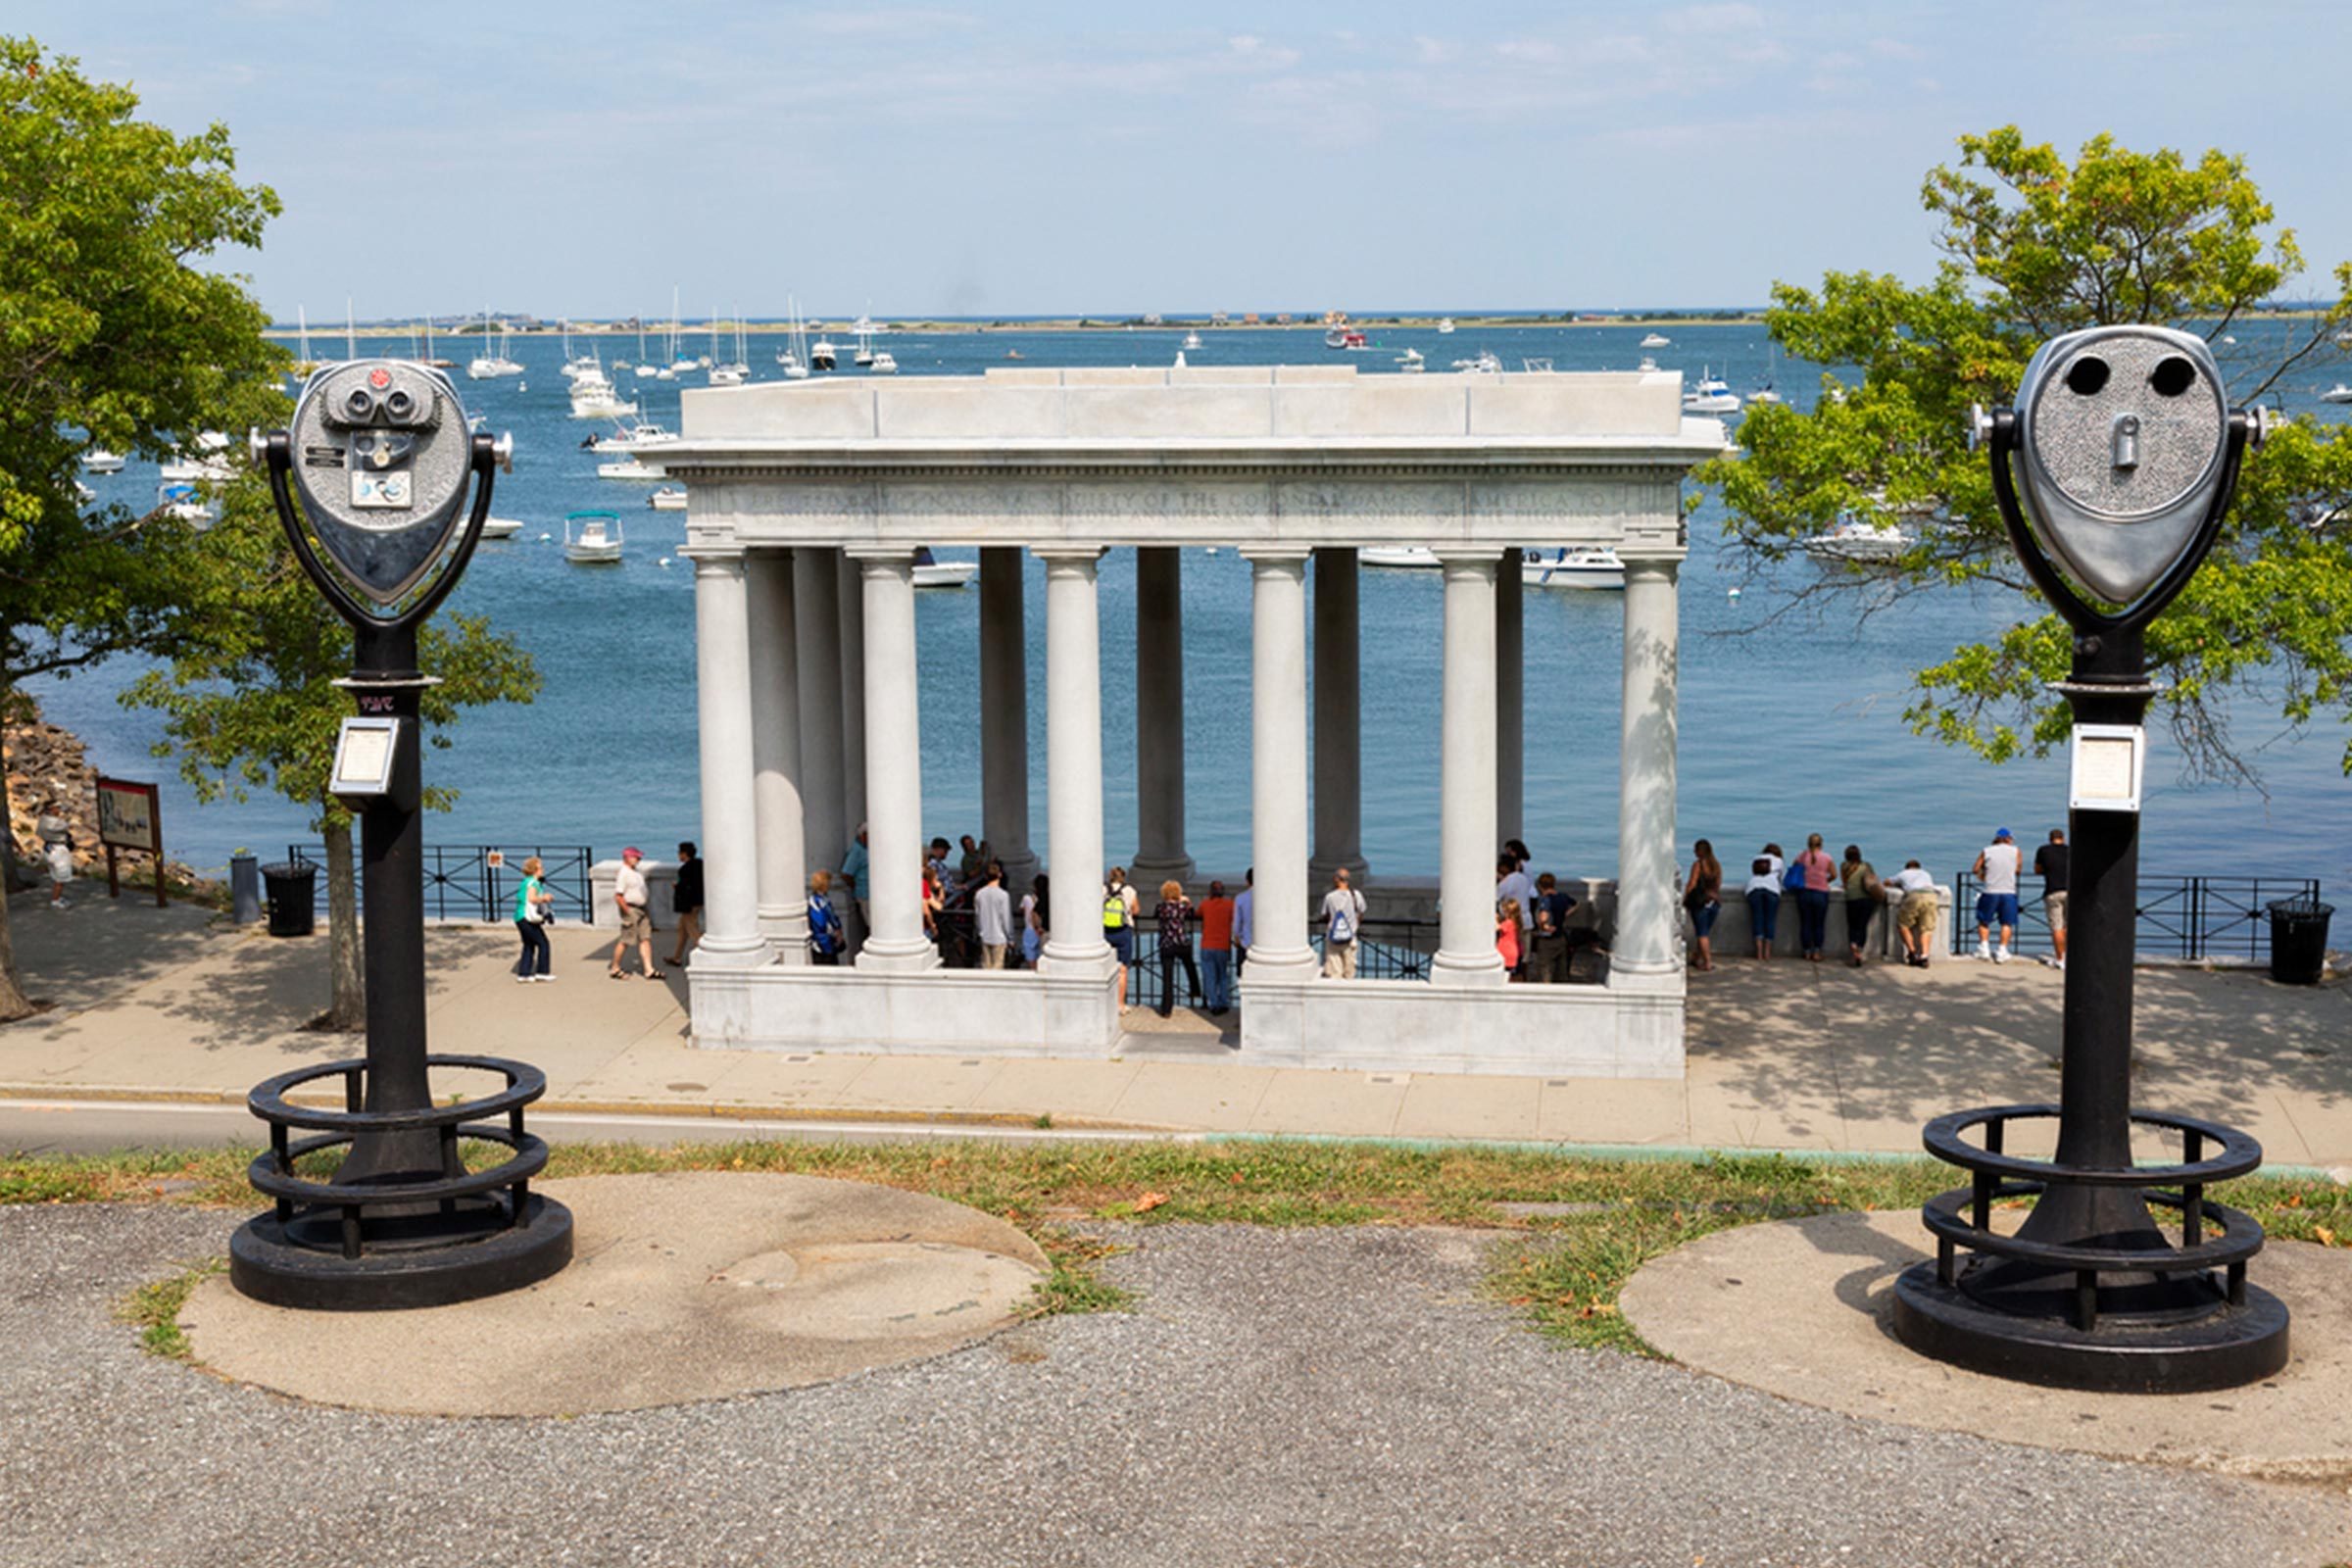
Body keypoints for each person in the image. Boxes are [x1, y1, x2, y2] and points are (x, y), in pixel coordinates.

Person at [608, 847, 662, 980]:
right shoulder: (624, 873)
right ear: (627, 858)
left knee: (645, 938)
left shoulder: (636, 872)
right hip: (631, 909)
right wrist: (627, 912)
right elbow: (618, 896)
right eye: (636, 857)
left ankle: (649, 969)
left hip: (642, 908)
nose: (639, 859)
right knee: (626, 940)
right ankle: (615, 967)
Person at [1972, 827, 2023, 963]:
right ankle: (2002, 950)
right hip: (2009, 891)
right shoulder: (2016, 851)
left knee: (1983, 920)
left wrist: (1984, 877)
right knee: (2006, 922)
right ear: (2009, 839)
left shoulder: (1987, 850)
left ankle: (1984, 948)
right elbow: (2018, 869)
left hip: (1990, 890)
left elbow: (1975, 868)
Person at [1152, 879, 1200, 1014]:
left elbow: (1155, 916)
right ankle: (1195, 989)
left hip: (1166, 944)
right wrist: (1186, 901)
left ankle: (1166, 1009)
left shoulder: (1160, 907)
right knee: (1190, 964)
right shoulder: (1182, 907)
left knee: (1167, 978)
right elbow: (1192, 914)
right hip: (1180, 942)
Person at [1790, 834, 1837, 962]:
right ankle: (1816, 951)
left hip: (1804, 892)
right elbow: (1834, 874)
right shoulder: (1826, 857)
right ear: (1821, 844)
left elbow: (1794, 868)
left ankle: (1806, 951)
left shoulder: (1802, 856)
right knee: (1819, 924)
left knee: (1805, 923)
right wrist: (1825, 881)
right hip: (1820, 893)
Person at [1682, 839, 1723, 972]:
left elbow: (1692, 883)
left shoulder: (1698, 865)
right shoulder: (1716, 866)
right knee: (1704, 932)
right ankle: (1697, 957)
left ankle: (1707, 962)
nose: (1694, 852)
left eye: (1696, 849)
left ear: (1700, 852)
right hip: (1714, 903)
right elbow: (1718, 885)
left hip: (1700, 903)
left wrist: (1686, 897)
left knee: (1702, 934)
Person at [1888, 859, 1939, 967]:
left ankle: (1912, 952)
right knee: (1927, 928)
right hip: (1931, 896)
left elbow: (1887, 882)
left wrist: (1899, 885)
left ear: (1907, 868)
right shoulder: (1926, 874)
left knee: (1903, 924)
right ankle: (1924, 956)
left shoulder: (1904, 874)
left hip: (1915, 896)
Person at [512, 855, 554, 982]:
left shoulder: (526, 881)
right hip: (527, 918)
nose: (543, 870)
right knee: (543, 943)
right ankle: (542, 972)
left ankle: (524, 973)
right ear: (534, 870)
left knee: (529, 944)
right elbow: (532, 898)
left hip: (520, 917)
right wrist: (545, 898)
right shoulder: (533, 883)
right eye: (540, 868)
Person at [1839, 844, 1883, 967]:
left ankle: (1853, 945)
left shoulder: (1844, 866)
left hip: (1851, 899)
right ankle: (1860, 949)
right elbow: (1873, 881)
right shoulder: (1866, 866)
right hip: (1866, 899)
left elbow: (1845, 882)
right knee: (1862, 926)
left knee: (1852, 926)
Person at [1197, 878, 1236, 1012]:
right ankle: (1224, 1001)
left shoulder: (1205, 904)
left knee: (1210, 976)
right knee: (1223, 976)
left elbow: (1198, 914)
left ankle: (1213, 1003)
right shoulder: (1230, 905)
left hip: (1207, 944)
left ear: (1210, 892)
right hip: (1223, 945)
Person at [1320, 866, 1367, 979]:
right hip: (1350, 938)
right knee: (1349, 972)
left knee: (1335, 972)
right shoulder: (1356, 895)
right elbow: (1362, 911)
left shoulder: (1330, 897)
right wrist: (1355, 925)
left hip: (1333, 938)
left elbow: (1325, 914)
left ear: (1336, 879)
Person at [2035, 828, 2070, 970]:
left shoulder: (2043, 850)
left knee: (2057, 927)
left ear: (2050, 838)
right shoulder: (2071, 850)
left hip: (2052, 891)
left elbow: (2037, 870)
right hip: (2070, 891)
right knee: (2068, 926)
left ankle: (2060, 959)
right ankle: (2069, 957)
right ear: (2063, 838)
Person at [1102, 866, 1136, 1013]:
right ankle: (1120, 1005)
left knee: (1103, 966)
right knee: (1122, 969)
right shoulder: (1129, 891)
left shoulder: (1102, 889)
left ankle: (1103, 1003)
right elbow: (1135, 910)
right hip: (1123, 931)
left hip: (1104, 931)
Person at [1495, 853, 1535, 976]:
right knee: (1524, 953)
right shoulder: (1523, 878)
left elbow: (1495, 897)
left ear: (1505, 868)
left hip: (1510, 921)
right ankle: (1524, 977)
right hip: (1526, 919)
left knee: (1509, 948)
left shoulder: (1505, 882)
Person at [1744, 843, 1786, 961]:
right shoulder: (1779, 860)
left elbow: (1754, 873)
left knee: (1757, 918)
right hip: (1772, 889)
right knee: (1770, 920)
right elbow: (1781, 879)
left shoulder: (1756, 858)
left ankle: (1758, 953)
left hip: (1754, 888)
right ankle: (1767, 952)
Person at [666, 841, 704, 968]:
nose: (678, 856)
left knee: (692, 929)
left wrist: (677, 886)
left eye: (679, 853)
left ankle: (706, 952)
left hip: (688, 904)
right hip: (699, 901)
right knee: (682, 929)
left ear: (684, 854)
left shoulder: (684, 869)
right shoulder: (700, 864)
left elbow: (686, 887)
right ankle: (677, 957)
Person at [973, 861, 1013, 969]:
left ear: (986, 876)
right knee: (998, 969)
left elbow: (977, 917)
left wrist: (979, 932)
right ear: (1000, 874)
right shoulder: (1003, 895)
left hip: (984, 936)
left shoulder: (979, 894)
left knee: (986, 967)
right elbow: (1006, 919)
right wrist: (1010, 938)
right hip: (999, 937)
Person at [839, 823, 870, 952]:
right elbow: (846, 873)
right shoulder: (857, 851)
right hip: (865, 895)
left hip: (871, 894)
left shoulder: (866, 849)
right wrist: (855, 887)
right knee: (872, 926)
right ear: (863, 836)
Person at [806, 868, 844, 965]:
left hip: (824, 940)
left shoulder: (820, 899)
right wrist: (835, 931)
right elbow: (822, 922)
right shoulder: (818, 901)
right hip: (823, 942)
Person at [38, 808, 73, 909]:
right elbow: (65, 826)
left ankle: (56, 897)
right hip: (58, 850)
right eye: (57, 808)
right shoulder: (55, 823)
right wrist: (66, 818)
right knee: (61, 878)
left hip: (48, 848)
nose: (59, 810)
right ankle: (55, 900)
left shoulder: (42, 820)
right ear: (52, 809)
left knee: (56, 875)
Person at [1022, 874, 1048, 967]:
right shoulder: (1049, 898)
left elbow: (1032, 913)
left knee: (1031, 957)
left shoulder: (1027, 898)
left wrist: (1037, 927)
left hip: (1031, 930)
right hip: (1045, 931)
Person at [1233, 867, 1254, 976]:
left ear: (1247, 881)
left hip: (1246, 943)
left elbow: (1237, 924)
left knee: (1243, 976)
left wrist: (1237, 937)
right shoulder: (1268, 898)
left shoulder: (1240, 898)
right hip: (1265, 946)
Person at [1495, 898, 1523, 974]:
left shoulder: (1508, 923)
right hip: (1514, 951)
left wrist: (1495, 918)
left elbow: (1496, 928)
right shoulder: (1516, 922)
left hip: (1505, 952)